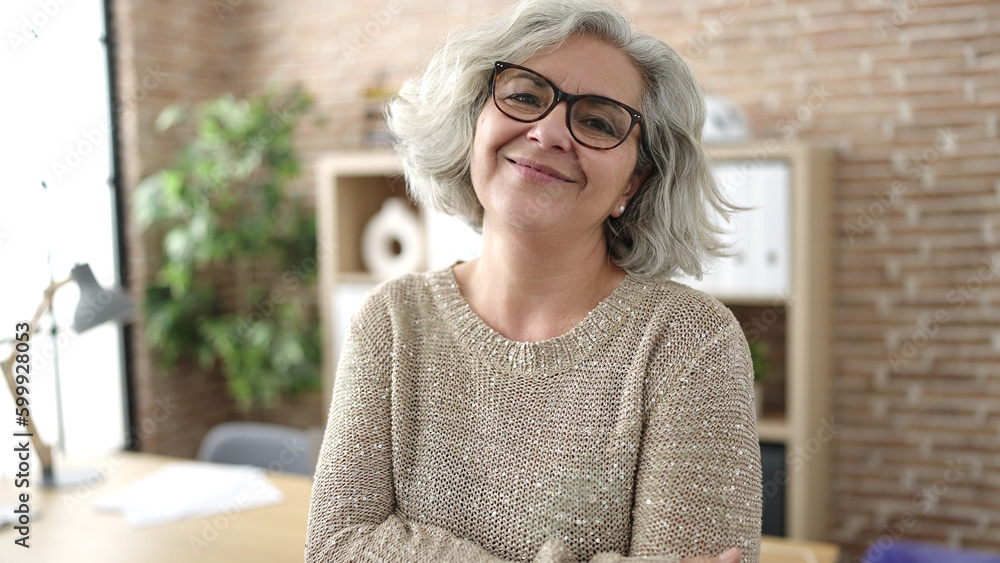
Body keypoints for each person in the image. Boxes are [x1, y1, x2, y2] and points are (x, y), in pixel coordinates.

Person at [306, 0, 762, 561]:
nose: (548, 133)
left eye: (598, 121)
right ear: (474, 122)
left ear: (634, 184)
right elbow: (336, 546)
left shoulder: (691, 343)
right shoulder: (393, 320)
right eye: (524, 96)